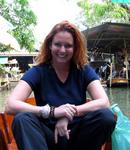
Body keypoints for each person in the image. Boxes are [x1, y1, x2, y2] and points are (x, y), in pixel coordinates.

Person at [5, 21, 116, 150]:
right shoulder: (38, 72)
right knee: (22, 119)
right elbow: (10, 105)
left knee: (105, 117)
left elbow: (104, 102)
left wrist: (68, 115)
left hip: (78, 137)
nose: (62, 50)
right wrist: (52, 112)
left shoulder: (83, 70)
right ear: (50, 45)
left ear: (75, 48)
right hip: (46, 138)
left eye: (68, 45)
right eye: (58, 44)